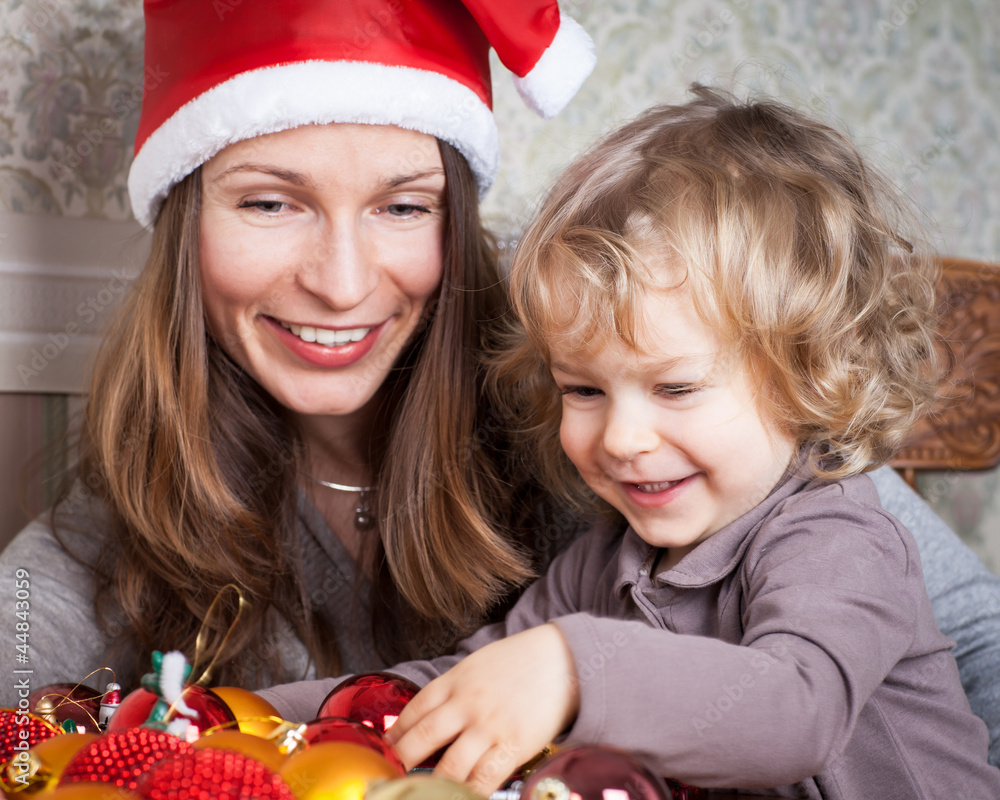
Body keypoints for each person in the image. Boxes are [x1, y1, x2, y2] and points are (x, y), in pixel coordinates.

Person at [0, 3, 998, 770]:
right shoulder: (606, 485)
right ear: (183, 219)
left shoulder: (803, 511)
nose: (343, 282)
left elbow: (822, 693)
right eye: (269, 200)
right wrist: (231, 721)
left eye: (403, 203)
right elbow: (442, 685)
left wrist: (573, 669)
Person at [259, 88, 1000, 799]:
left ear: (809, 375)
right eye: (584, 390)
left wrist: (577, 668)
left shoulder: (836, 539)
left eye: (675, 389)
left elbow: (796, 710)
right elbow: (466, 680)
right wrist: (251, 714)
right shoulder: (609, 562)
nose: (621, 438)